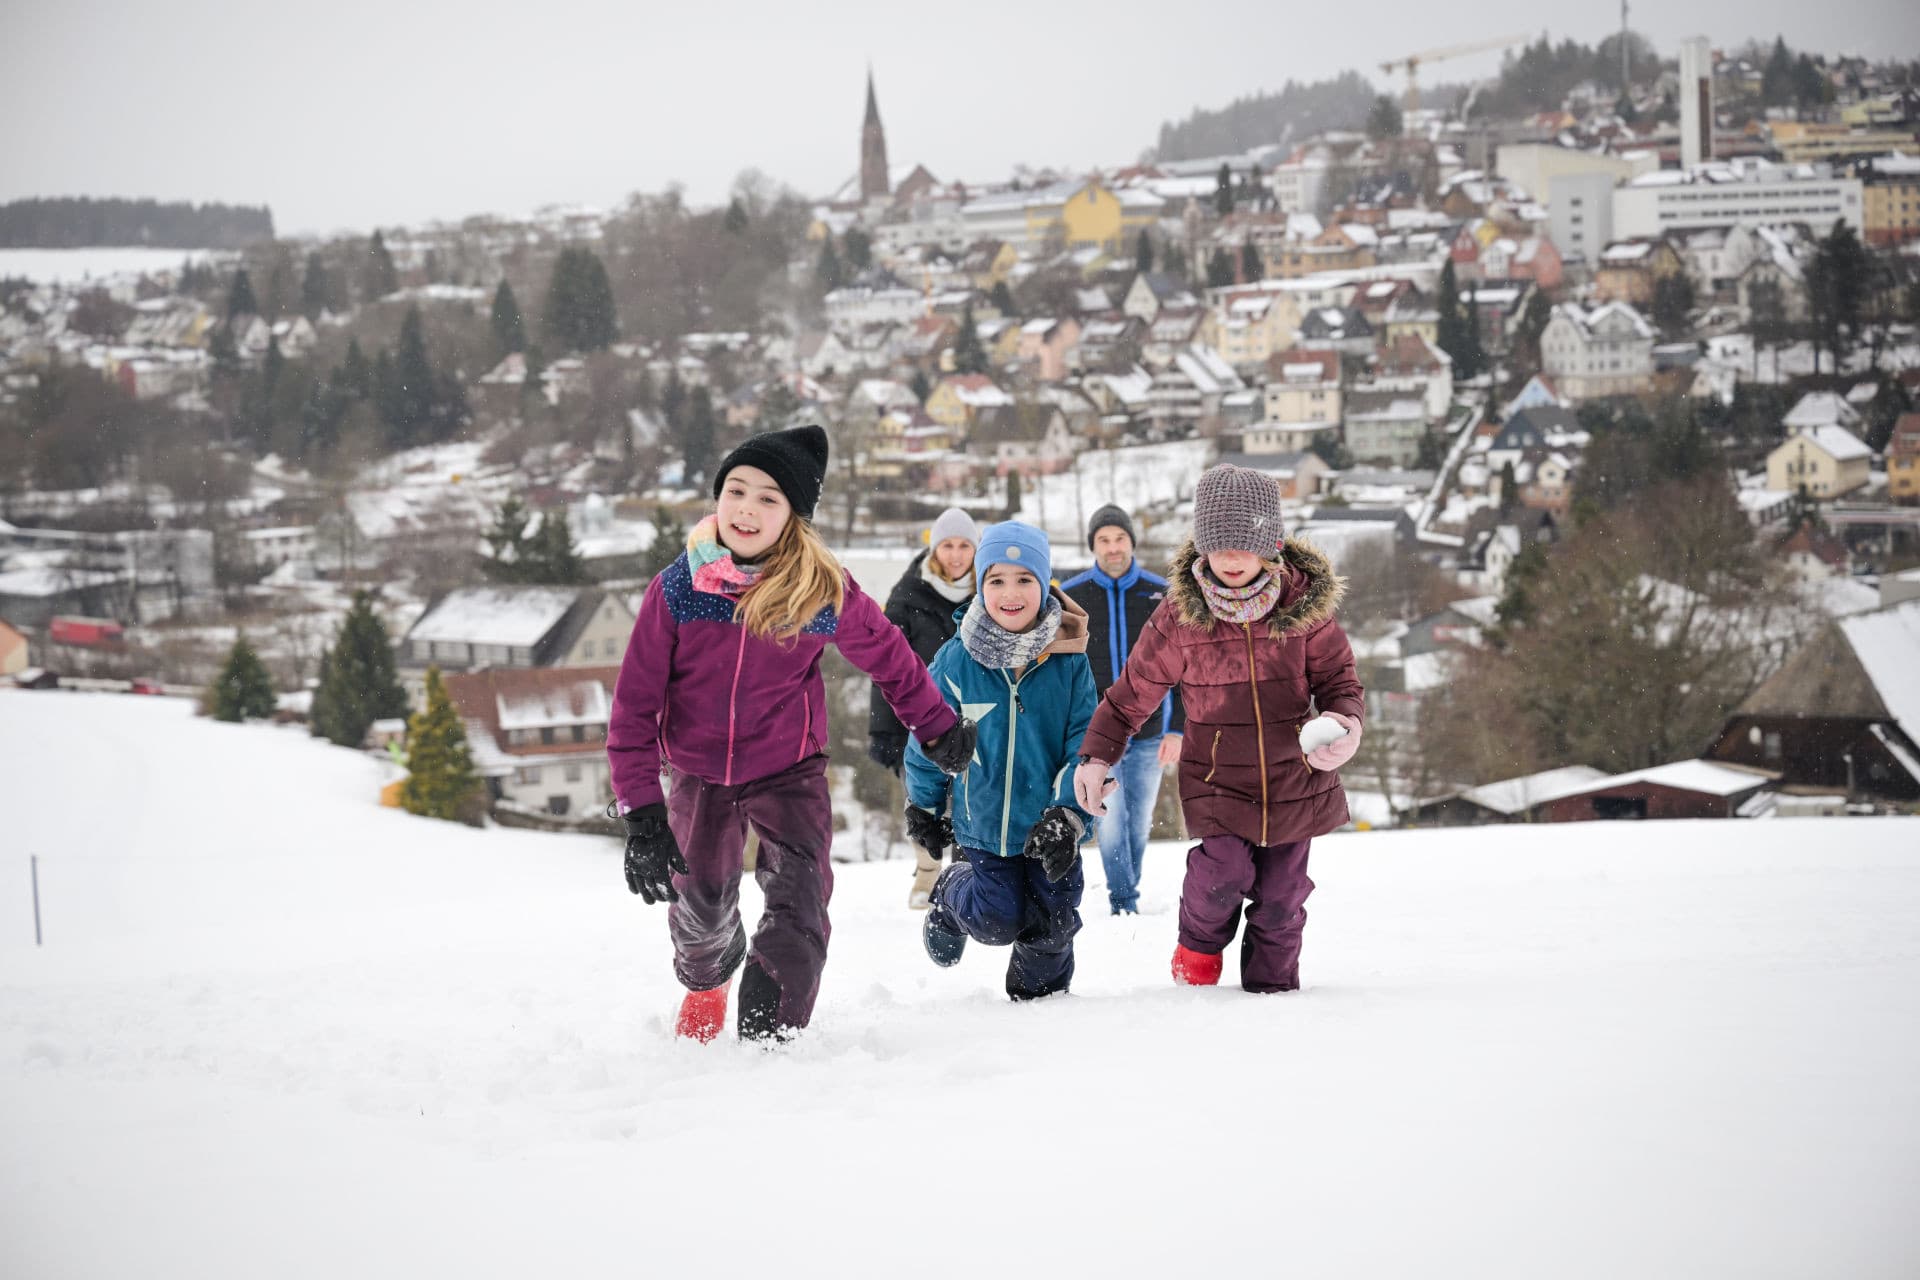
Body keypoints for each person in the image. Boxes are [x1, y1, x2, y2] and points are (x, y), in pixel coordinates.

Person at [607, 424, 976, 1043]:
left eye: (768, 498)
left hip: (788, 767)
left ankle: (771, 1033)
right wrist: (642, 814)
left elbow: (889, 654)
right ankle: (709, 975)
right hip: (699, 770)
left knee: (801, 898)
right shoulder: (678, 590)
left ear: (794, 517)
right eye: (736, 491)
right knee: (697, 906)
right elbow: (634, 705)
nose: (746, 509)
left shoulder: (819, 591)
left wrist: (936, 726)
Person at [1072, 465, 1363, 994]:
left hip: (1295, 778)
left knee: (1282, 896)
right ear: (1202, 545)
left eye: (1244, 544)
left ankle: (1273, 995)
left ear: (1270, 544)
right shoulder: (1179, 617)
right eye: (1219, 544)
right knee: (1220, 876)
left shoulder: (1304, 608)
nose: (1231, 559)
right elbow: (1131, 694)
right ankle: (1197, 950)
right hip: (1217, 778)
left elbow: (1340, 680)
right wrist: (1095, 757)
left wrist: (1345, 725)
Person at [903, 521, 1099, 1002]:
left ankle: (1038, 1008)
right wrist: (924, 808)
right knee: (996, 920)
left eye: (1024, 579)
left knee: (1054, 920)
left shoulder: (1070, 662)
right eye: (996, 580)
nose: (1010, 593)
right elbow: (928, 739)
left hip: (1049, 824)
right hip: (983, 824)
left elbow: (1086, 745)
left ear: (1045, 583)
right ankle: (950, 893)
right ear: (980, 585)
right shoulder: (955, 662)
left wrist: (1067, 814)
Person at [1061, 503, 1184, 915]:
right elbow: (1061, 667)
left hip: (1152, 734)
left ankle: (1127, 889)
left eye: (1119, 538)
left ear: (1131, 541)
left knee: (1138, 821)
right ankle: (1124, 900)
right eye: (1103, 540)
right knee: (1109, 818)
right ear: (1093, 546)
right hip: (1100, 735)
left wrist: (1177, 729)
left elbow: (1186, 666)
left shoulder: (1163, 593)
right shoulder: (1072, 596)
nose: (1113, 548)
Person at [867, 507, 980, 910]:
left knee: (972, 803)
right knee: (924, 803)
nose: (956, 554)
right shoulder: (907, 597)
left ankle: (967, 878)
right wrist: (883, 732)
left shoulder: (989, 593)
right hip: (918, 723)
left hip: (975, 719)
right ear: (934, 549)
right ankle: (928, 871)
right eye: (947, 545)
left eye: (964, 545)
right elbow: (885, 666)